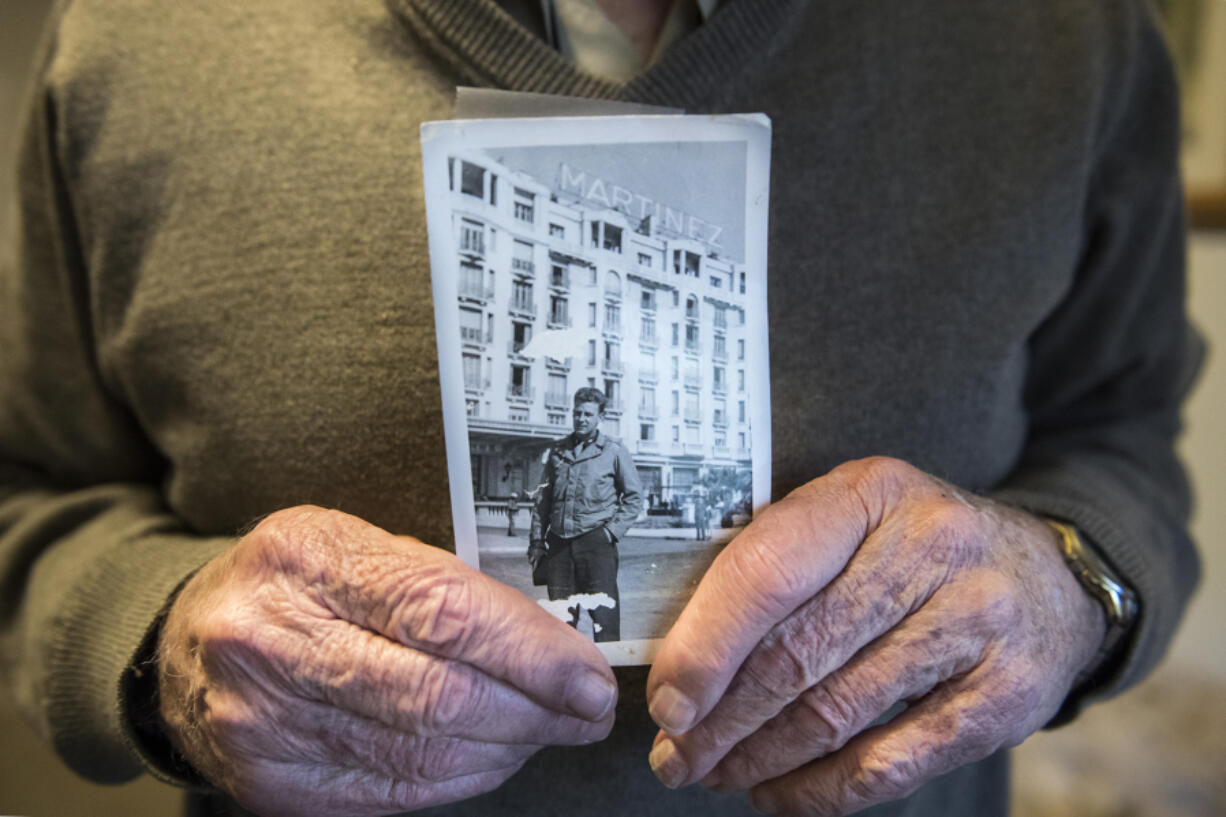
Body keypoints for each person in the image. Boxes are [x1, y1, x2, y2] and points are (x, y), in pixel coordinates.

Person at [0, 1, 1202, 816]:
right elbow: (30, 491)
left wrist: (1064, 588)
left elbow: (1121, 430)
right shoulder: (129, 37)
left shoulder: (1065, 33)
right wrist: (163, 642)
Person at [529, 387, 645, 642]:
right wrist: (537, 542)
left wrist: (609, 533)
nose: (581, 418)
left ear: (600, 417)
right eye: (577, 413)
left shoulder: (614, 451)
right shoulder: (557, 452)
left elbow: (635, 497)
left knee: (604, 624)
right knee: (561, 625)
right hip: (559, 547)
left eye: (588, 414)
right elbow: (542, 501)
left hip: (596, 547)